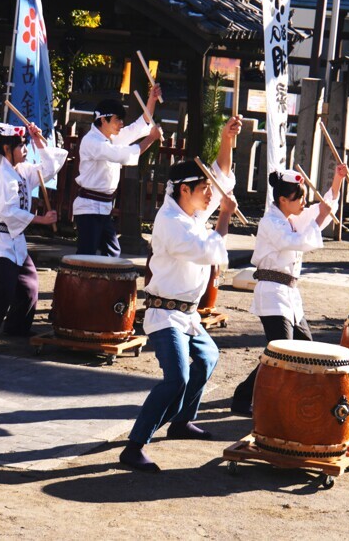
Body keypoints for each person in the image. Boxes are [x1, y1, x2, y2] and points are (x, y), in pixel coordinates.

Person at [120, 116, 242, 473]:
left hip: (187, 314)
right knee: (177, 378)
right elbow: (208, 251)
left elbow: (223, 176)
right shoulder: (170, 222)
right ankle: (134, 445)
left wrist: (226, 139)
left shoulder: (190, 211)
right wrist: (225, 219)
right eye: (203, 188)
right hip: (164, 314)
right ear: (183, 189)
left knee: (207, 358)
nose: (210, 194)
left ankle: (181, 421)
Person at [229, 164, 348, 416]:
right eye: (299, 198)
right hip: (272, 292)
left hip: (290, 294)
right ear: (283, 200)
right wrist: (318, 218)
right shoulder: (271, 222)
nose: (304, 201)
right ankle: (244, 396)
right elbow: (295, 241)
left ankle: (293, 395)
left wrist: (337, 180)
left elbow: (321, 211)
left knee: (305, 347)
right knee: (281, 349)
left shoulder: (291, 216)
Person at [0, 120, 67, 352]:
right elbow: (9, 212)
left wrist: (39, 140)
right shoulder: (3, 177)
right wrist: (42, 219)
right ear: (7, 149)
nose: (24, 150)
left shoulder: (22, 171)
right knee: (3, 290)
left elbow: (49, 168)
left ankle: (16, 327)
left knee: (29, 285)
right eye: (21, 146)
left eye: (25, 145)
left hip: (16, 240)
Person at [73, 89, 163, 256]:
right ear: (103, 120)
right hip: (88, 208)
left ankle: (104, 283)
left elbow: (140, 125)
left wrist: (152, 99)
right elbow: (120, 155)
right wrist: (151, 139)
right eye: (117, 119)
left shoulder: (111, 138)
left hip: (105, 208)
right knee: (86, 255)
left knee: (112, 253)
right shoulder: (92, 141)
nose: (121, 123)